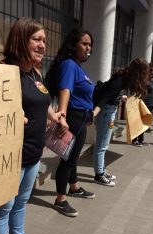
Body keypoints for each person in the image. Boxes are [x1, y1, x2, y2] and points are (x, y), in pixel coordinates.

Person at [0, 18, 63, 234]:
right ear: (21, 39)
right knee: (2, 208)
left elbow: (42, 102)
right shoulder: (4, 72)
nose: (43, 45)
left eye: (43, 40)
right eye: (36, 39)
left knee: (21, 202)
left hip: (33, 153)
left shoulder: (35, 73)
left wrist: (55, 117)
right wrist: (8, 111)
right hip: (10, 156)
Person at [45, 28, 95, 217]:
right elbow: (64, 90)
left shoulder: (77, 66)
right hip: (72, 117)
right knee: (68, 159)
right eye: (84, 43)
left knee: (74, 156)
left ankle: (73, 187)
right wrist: (62, 115)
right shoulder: (68, 65)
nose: (88, 47)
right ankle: (60, 199)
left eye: (90, 44)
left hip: (81, 117)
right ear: (73, 45)